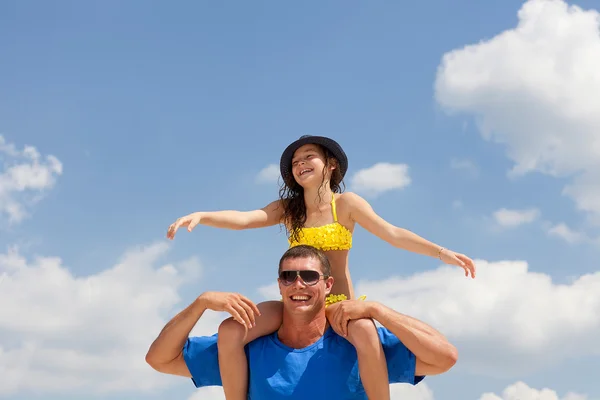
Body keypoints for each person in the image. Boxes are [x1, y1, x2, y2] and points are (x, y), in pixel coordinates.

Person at [166, 135, 475, 400]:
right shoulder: (290, 209)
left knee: (366, 331)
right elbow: (246, 218)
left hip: (338, 305)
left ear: (331, 165)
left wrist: (442, 252)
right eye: (295, 161)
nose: (300, 163)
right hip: (298, 301)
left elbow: (392, 234)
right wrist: (203, 215)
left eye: (308, 156)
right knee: (231, 329)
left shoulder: (347, 204)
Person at [145, 245, 458, 399]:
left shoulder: (360, 344)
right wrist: (200, 303)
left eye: (309, 276)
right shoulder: (245, 350)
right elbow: (159, 359)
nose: (298, 284)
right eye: (288, 277)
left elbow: (444, 357)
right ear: (279, 284)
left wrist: (379, 311)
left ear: (327, 284)